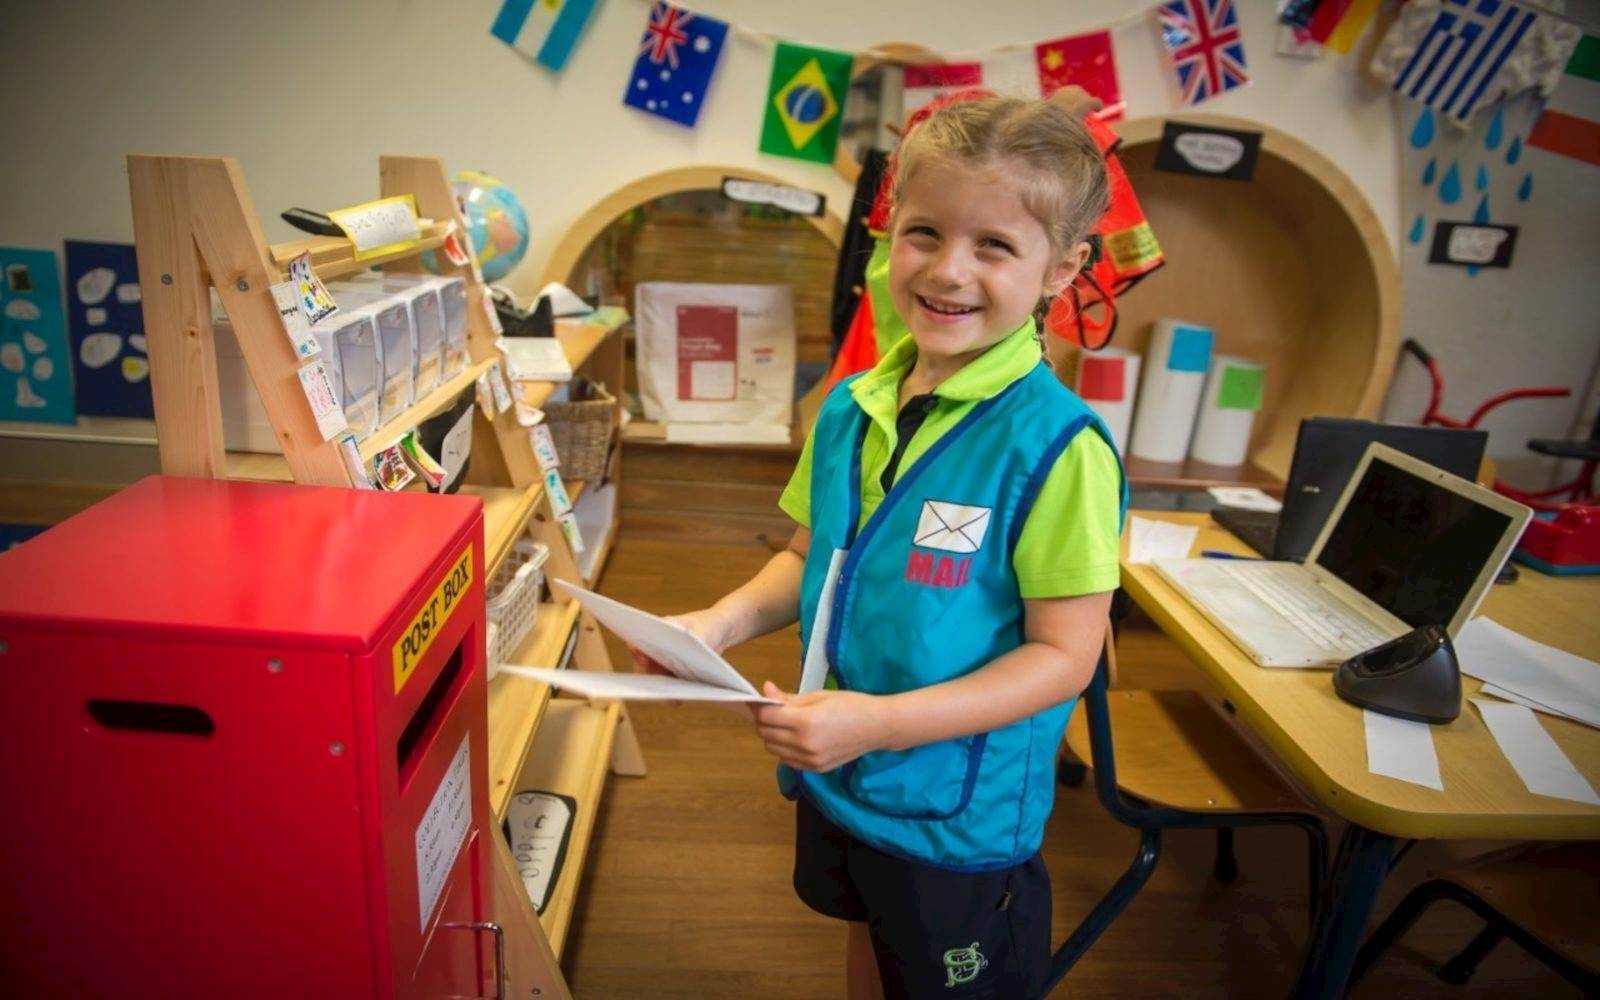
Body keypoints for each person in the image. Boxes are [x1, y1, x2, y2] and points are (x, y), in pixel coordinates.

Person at [634, 95, 1126, 999]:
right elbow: (807, 556)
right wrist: (719, 621)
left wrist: (878, 722)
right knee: (868, 947)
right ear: (885, 232)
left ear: (1063, 269)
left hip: (955, 815)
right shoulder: (851, 405)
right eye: (924, 232)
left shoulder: (1059, 449)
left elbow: (1066, 658)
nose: (948, 271)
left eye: (995, 246)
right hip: (841, 776)